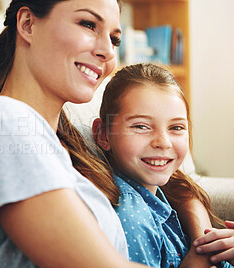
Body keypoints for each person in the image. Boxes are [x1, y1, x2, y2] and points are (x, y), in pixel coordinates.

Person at [0, 0, 218, 267]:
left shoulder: (63, 142)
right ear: (28, 24)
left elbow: (164, 177)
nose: (108, 51)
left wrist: (202, 235)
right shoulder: (1, 123)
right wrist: (201, 257)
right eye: (88, 24)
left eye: (114, 39)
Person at [92, 63, 234, 268]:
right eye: (141, 126)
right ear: (103, 134)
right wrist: (201, 260)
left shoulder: (163, 194)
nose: (163, 142)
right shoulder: (131, 216)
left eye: (176, 127)